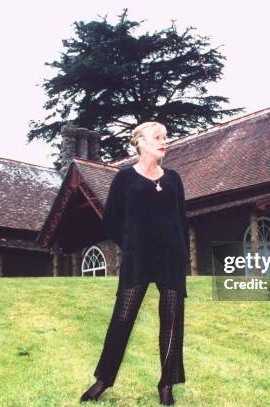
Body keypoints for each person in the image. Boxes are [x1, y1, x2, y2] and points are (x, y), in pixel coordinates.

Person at [80, 121, 189, 405]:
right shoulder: (125, 179)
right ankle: (102, 381)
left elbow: (181, 220)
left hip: (171, 260)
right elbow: (110, 220)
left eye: (165, 137)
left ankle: (167, 385)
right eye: (157, 137)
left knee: (172, 323)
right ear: (140, 142)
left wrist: (180, 254)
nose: (164, 142)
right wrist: (131, 246)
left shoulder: (174, 179)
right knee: (122, 319)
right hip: (138, 259)